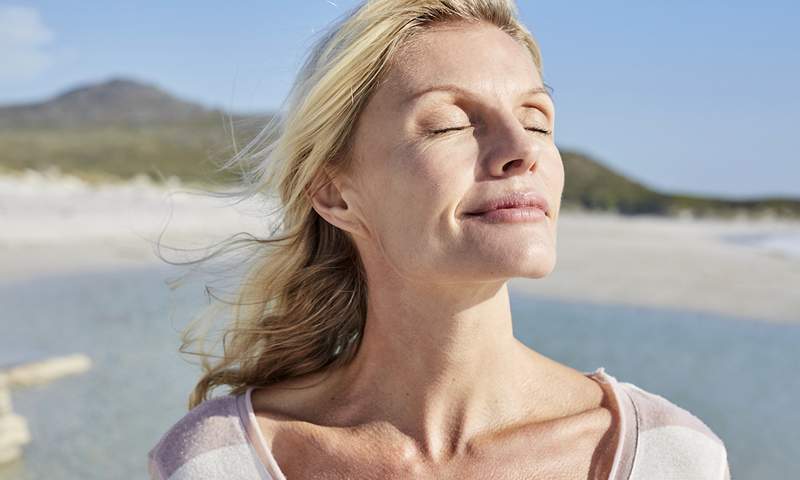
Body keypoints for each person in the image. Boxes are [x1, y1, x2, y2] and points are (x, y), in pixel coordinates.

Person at [148, 1, 731, 478]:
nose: (522, 150)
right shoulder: (218, 461)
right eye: (449, 122)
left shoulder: (668, 456)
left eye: (537, 120)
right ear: (334, 193)